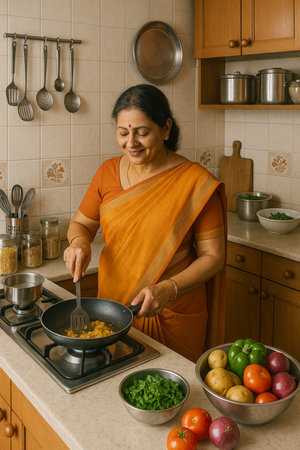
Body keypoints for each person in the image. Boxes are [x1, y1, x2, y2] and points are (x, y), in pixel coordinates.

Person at [64, 84, 227, 363]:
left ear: (165, 129)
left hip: (172, 311)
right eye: (123, 133)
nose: (131, 143)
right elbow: (81, 224)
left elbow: (214, 257)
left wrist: (168, 289)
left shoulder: (195, 182)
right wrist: (78, 242)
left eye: (142, 132)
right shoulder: (107, 173)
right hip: (113, 310)